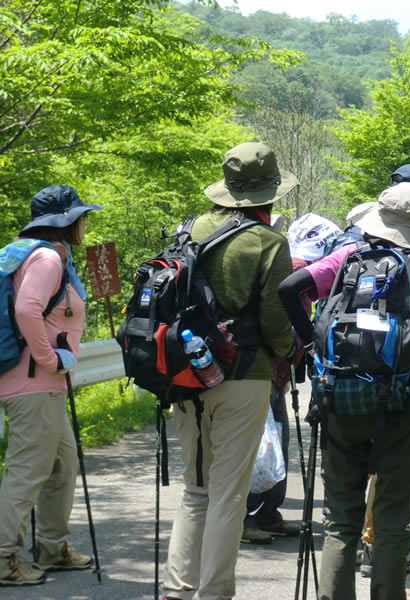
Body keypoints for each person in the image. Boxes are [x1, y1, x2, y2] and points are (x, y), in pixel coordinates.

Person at [278, 182, 410, 600]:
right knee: (392, 516)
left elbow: (290, 288)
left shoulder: (348, 257)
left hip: (339, 397)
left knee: (340, 520)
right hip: (399, 402)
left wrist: (312, 345)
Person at [161, 142, 295, 600]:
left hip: (185, 375)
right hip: (243, 376)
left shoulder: (191, 228)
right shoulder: (268, 242)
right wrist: (291, 353)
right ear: (270, 191)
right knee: (228, 495)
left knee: (196, 489)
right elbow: (278, 323)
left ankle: (179, 590)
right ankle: (215, 593)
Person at [0, 185, 102, 585]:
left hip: (40, 384)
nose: (84, 224)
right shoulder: (46, 258)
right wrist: (48, 359)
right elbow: (27, 309)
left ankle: (51, 546)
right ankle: (4, 557)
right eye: (81, 217)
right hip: (34, 383)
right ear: (66, 222)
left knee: (62, 464)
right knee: (27, 471)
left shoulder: (26, 254)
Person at [240, 214, 344, 542]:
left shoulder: (293, 265)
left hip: (274, 372)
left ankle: (268, 513)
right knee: (262, 445)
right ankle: (248, 518)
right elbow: (276, 324)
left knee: (276, 439)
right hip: (262, 369)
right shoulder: (296, 271)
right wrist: (295, 347)